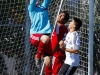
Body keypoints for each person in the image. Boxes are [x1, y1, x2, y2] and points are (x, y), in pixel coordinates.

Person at [44, 11, 69, 75]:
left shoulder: (59, 27)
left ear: (65, 20)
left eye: (62, 15)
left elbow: (58, 41)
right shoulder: (64, 29)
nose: (59, 16)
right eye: (59, 14)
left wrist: (52, 53)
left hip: (57, 55)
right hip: (60, 55)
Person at [28, 0, 52, 68]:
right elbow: (33, 2)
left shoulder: (43, 7)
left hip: (46, 35)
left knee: (49, 61)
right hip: (35, 34)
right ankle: (38, 57)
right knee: (46, 38)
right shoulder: (31, 8)